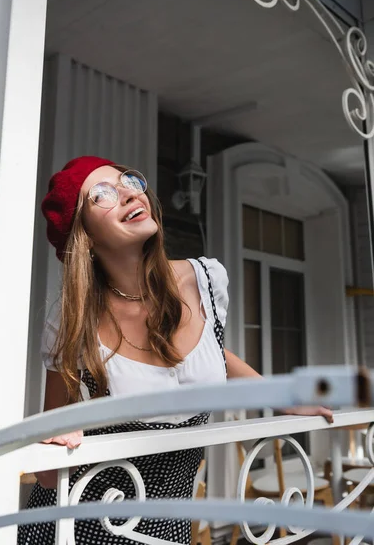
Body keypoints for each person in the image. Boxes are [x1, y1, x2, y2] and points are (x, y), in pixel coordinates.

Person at [18, 155, 333, 545]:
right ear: (84, 236)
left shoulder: (205, 280)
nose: (129, 194)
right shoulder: (74, 322)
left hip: (170, 522)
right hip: (84, 524)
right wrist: (60, 432)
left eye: (129, 182)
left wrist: (283, 398)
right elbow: (49, 471)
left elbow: (213, 354)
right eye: (101, 194)